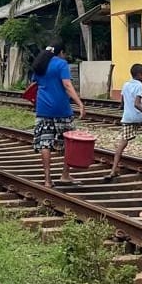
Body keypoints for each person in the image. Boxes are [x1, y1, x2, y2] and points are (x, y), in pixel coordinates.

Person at [30, 45, 84, 188]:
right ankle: (65, 175)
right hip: (61, 109)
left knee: (45, 143)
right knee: (69, 142)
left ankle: (47, 179)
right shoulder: (61, 64)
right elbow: (67, 84)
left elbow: (34, 84)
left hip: (43, 109)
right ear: (61, 52)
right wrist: (79, 103)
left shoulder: (40, 63)